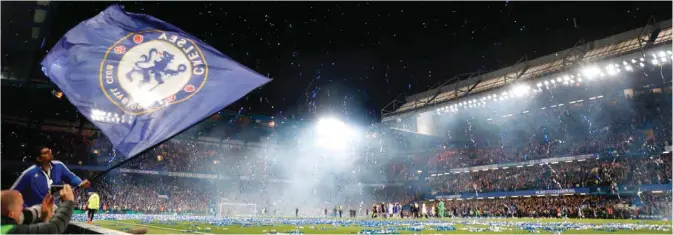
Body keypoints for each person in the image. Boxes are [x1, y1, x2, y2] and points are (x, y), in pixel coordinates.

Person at [10, 146, 91, 207]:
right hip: (34, 216)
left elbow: (71, 177)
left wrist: (80, 182)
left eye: (49, 151)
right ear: (39, 158)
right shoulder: (29, 174)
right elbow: (11, 193)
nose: (49, 153)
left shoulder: (59, 166)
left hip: (52, 213)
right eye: (45, 153)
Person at [1, 185, 76, 234]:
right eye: (20, 205)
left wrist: (45, 218)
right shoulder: (10, 231)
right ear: (11, 214)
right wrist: (68, 202)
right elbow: (54, 229)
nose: (23, 208)